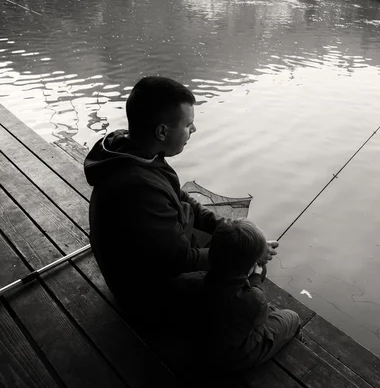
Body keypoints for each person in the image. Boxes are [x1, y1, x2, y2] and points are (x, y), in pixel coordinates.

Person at [83, 76, 277, 323]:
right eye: (188, 125)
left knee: (242, 238)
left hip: (155, 254)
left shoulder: (135, 150)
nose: (193, 130)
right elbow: (179, 260)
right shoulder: (137, 189)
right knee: (247, 280)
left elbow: (183, 198)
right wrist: (246, 256)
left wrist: (228, 230)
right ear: (162, 131)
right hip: (146, 292)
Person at [194, 218, 301, 371]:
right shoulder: (254, 300)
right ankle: (296, 350)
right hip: (233, 358)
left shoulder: (193, 281)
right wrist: (256, 278)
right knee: (292, 317)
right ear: (251, 265)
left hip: (203, 341)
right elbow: (261, 315)